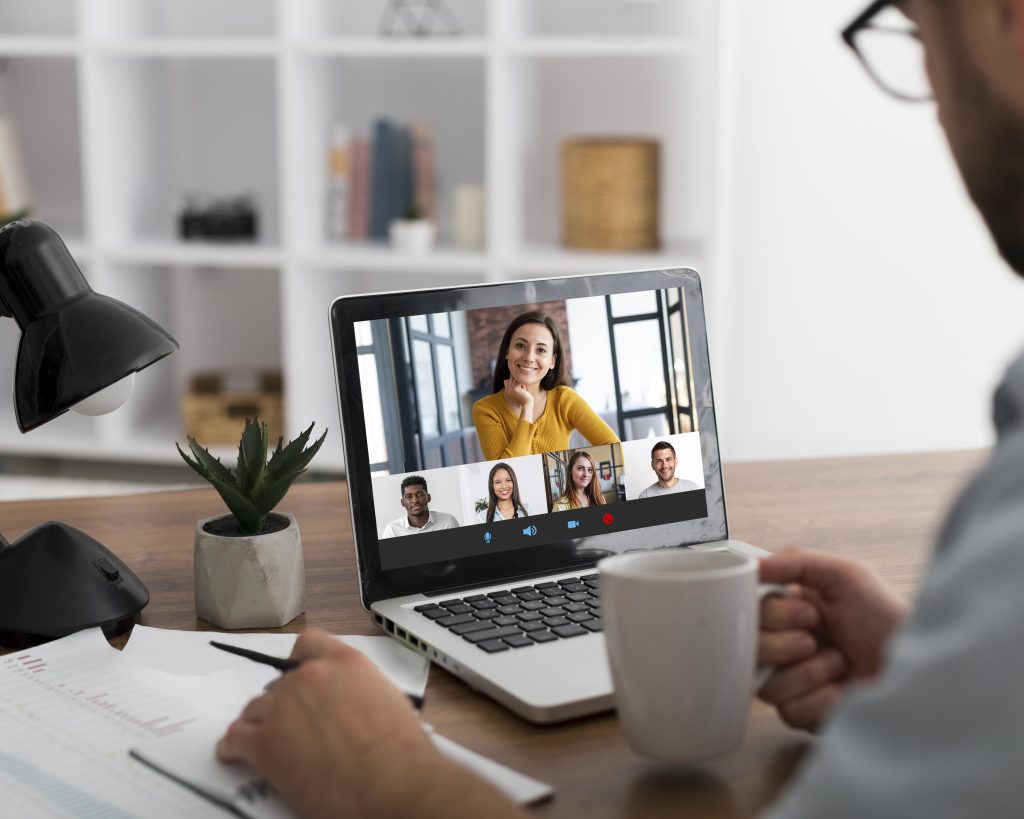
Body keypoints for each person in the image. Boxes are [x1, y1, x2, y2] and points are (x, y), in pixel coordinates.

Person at [218, 2, 1024, 816]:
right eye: (520, 351)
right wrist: (936, 682)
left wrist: (381, 776)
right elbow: (510, 465)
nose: (928, 82)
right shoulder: (494, 408)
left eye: (920, 30)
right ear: (506, 357)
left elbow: (607, 457)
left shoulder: (567, 398)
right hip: (483, 573)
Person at [471, 311, 620, 460]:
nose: (529, 357)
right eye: (520, 345)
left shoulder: (565, 399)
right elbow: (506, 473)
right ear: (507, 351)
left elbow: (614, 448)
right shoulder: (485, 409)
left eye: (541, 350)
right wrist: (527, 407)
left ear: (552, 361)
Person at [379, 475, 460, 538]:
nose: (415, 500)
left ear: (428, 497)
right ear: (402, 502)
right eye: (409, 496)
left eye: (420, 494)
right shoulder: (392, 530)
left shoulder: (448, 521)